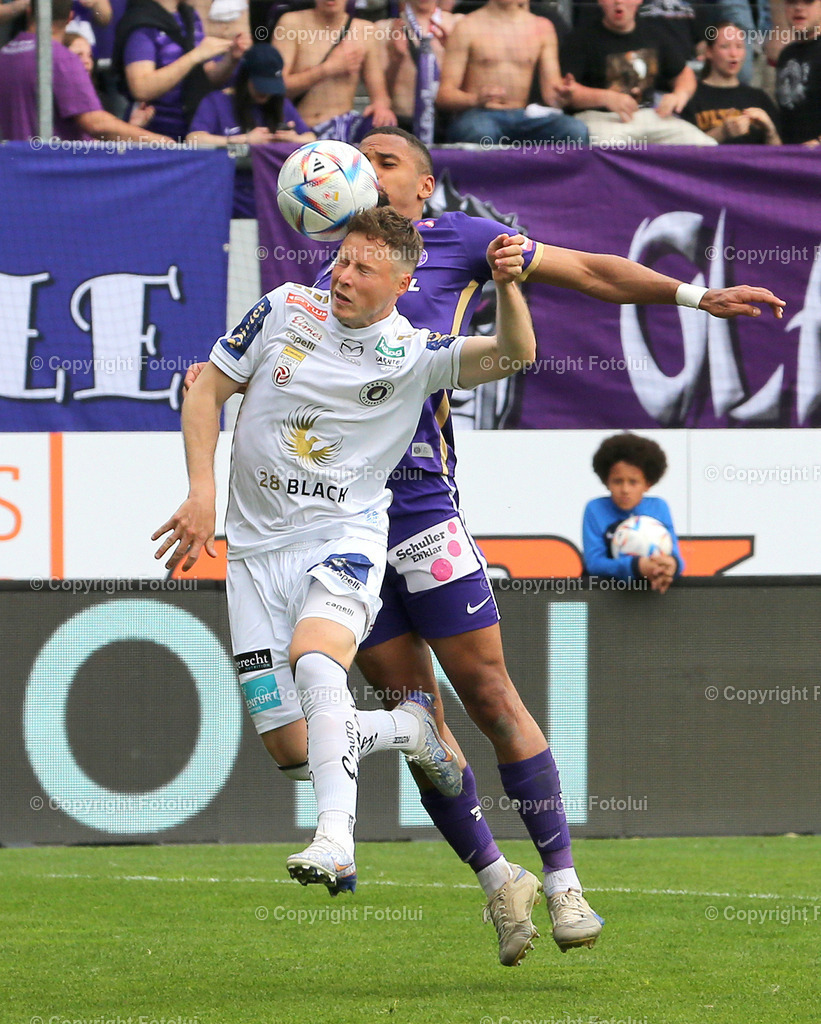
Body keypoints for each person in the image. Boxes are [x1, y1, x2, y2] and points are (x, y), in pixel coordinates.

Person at [184, 126, 785, 967]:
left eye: (386, 160)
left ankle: (565, 879)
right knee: (408, 714)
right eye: (359, 159)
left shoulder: (466, 242)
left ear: (426, 188)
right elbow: (232, 382)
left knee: (489, 694)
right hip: (325, 524)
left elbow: (590, 274)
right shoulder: (326, 280)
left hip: (420, 509)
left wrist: (693, 298)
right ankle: (497, 881)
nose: (365, 170)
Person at [154, 206, 537, 899]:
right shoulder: (282, 309)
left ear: (402, 281)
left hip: (342, 539)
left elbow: (514, 355)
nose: (343, 274)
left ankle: (335, 839)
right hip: (252, 555)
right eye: (342, 259)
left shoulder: (414, 353)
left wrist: (508, 289)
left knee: (316, 656)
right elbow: (207, 389)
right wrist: (201, 491)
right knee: (293, 750)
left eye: (364, 267)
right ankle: (409, 728)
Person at [0, 0, 170, 142]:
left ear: (29, 12)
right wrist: (160, 142)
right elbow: (95, 124)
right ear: (70, 18)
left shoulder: (5, 54)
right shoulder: (61, 58)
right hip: (58, 172)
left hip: (17, 171)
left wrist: (132, 127)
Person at [558, 0, 718, 145]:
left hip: (649, 115)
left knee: (706, 146)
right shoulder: (580, 39)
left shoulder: (654, 33)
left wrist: (679, 95)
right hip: (600, 117)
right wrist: (605, 98)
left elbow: (684, 74)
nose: (618, 2)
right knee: (609, 149)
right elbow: (566, 92)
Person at [435, 0, 589, 146]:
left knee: (574, 130)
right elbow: (444, 95)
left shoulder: (542, 27)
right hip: (480, 114)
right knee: (479, 131)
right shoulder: (466, 27)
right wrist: (475, 100)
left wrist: (563, 93)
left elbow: (551, 96)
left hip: (526, 115)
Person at [187, 44, 314, 216]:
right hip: (228, 195)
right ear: (246, 78)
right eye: (260, 86)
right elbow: (194, 140)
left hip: (272, 197)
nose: (266, 94)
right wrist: (243, 140)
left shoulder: (281, 104)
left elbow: (311, 138)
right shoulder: (216, 102)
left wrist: (293, 140)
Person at [115, 0, 251, 141]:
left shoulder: (189, 16)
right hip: (157, 138)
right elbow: (141, 88)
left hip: (196, 129)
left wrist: (231, 59)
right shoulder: (142, 24)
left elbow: (202, 76)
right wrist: (196, 55)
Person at [273, 0, 397, 143]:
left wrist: (381, 109)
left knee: (384, 126)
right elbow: (276, 87)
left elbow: (380, 96)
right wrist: (328, 69)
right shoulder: (291, 23)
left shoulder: (365, 31)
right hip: (297, 128)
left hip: (341, 130)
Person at [582, 433, 683, 594]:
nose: (625, 490)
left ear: (648, 483)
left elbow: (676, 556)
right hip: (606, 597)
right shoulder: (595, 509)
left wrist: (671, 566)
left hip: (651, 596)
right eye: (617, 481)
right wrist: (636, 567)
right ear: (606, 482)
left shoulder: (659, 507)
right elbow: (594, 563)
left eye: (633, 482)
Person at [681, 22, 781, 142]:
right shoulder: (691, 96)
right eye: (725, 46)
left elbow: (781, 156)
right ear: (709, 52)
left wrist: (770, 131)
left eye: (739, 46)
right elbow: (684, 151)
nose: (733, 54)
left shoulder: (759, 98)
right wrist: (722, 132)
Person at [376, 0, 460, 142]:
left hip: (448, 120)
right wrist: (395, 59)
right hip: (403, 121)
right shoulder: (383, 29)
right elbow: (381, 93)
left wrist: (453, 52)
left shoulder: (458, 24)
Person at [65, 29, 157, 126]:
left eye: (90, 56)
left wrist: (133, 125)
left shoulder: (94, 99)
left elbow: (97, 140)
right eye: (78, 55)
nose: (87, 61)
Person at [775, 0, 821, 144]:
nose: (799, 7)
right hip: (791, 158)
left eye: (808, 1)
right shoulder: (786, 55)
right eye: (792, 1)